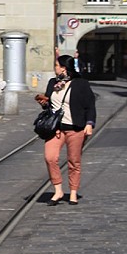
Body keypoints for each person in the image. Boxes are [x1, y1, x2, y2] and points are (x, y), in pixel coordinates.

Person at [34, 55, 96, 205]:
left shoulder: (81, 84)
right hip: (55, 129)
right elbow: (50, 104)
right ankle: (58, 190)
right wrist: (44, 103)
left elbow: (90, 105)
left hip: (75, 128)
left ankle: (73, 192)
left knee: (74, 161)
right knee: (50, 157)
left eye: (56, 65)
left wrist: (89, 123)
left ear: (63, 68)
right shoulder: (52, 83)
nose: (54, 68)